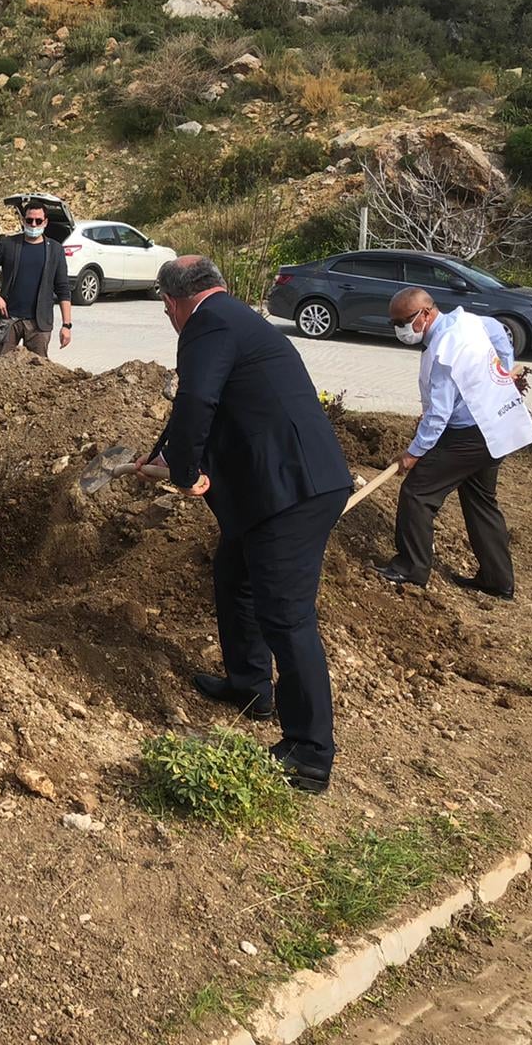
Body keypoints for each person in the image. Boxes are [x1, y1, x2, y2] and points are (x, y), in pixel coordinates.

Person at [137, 256, 353, 793]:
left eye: (166, 308)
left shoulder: (207, 324)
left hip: (293, 490)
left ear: (172, 301)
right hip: (279, 483)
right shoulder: (235, 317)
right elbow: (226, 406)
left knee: (286, 615)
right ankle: (250, 684)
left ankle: (309, 751)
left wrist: (186, 472)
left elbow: (198, 399)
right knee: (234, 574)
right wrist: (167, 456)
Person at [374, 287, 532, 599]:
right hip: (496, 426)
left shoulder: (444, 351)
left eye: (402, 322)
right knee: (480, 500)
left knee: (417, 492)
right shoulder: (470, 322)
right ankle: (497, 580)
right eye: (393, 324)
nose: (399, 329)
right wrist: (505, 368)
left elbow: (438, 416)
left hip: (471, 434)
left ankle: (410, 569)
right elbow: (500, 335)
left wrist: (413, 454)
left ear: (425, 313)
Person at [0, 200, 73, 358]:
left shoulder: (55, 250)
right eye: (29, 220)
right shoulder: (8, 244)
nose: (33, 224)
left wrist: (66, 325)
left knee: (37, 373)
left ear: (45, 222)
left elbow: (63, 290)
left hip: (39, 324)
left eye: (38, 221)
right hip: (8, 319)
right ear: (23, 220)